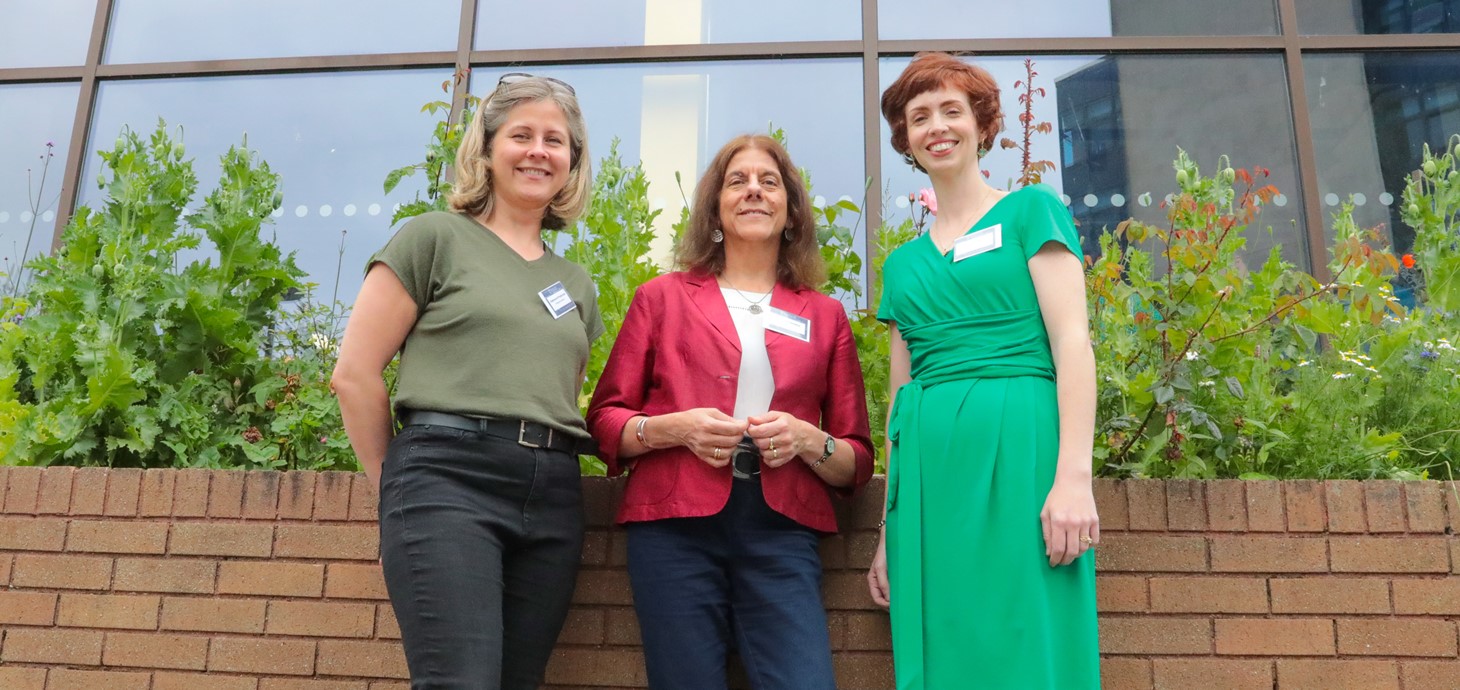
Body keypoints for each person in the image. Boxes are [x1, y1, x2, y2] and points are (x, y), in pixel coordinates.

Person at [331, 73, 602, 690]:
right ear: (485, 148)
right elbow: (354, 375)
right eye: (522, 135)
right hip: (446, 479)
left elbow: (559, 389)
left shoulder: (577, 286)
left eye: (555, 141)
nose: (539, 151)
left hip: (553, 492)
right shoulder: (433, 238)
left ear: (572, 163)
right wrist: (393, 485)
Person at [587, 134, 874, 690]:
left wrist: (808, 440)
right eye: (737, 181)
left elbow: (856, 460)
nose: (753, 192)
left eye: (769, 182)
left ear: (791, 212)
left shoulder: (825, 315)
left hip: (781, 530)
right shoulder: (661, 298)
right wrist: (672, 428)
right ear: (715, 208)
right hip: (673, 529)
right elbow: (604, 421)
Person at [866, 52, 1101, 689]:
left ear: (981, 123)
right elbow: (898, 397)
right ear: (906, 139)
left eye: (951, 110)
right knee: (945, 648)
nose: (936, 126)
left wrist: (1074, 479)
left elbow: (1073, 344)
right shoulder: (902, 266)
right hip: (928, 478)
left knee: (1030, 638)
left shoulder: (1031, 212)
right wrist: (888, 528)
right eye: (919, 117)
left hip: (1023, 454)